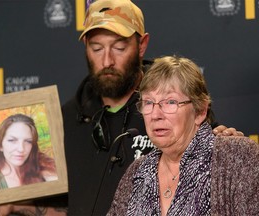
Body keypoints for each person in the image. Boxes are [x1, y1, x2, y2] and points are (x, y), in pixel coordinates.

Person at [0, 0, 243, 215]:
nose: (107, 60)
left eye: (119, 47)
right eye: (97, 48)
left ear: (142, 45)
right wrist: (13, 206)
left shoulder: (171, 110)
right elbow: (67, 207)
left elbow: (210, 183)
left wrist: (225, 147)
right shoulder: (64, 119)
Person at [107, 55, 259, 215]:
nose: (155, 114)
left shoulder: (237, 157)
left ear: (200, 111)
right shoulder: (137, 171)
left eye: (170, 102)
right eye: (149, 103)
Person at [0, 114, 58, 190]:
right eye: (12, 140)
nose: (21, 149)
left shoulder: (41, 166)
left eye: (28, 141)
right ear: (0, 145)